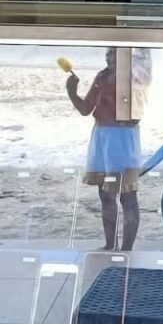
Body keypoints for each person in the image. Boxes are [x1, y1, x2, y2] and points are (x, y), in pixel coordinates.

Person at [66, 49, 150, 251]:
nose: (109, 57)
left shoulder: (136, 76)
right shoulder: (103, 76)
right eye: (109, 52)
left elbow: (134, 110)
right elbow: (86, 109)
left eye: (115, 52)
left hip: (122, 137)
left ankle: (126, 248)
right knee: (106, 194)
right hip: (102, 135)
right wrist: (72, 93)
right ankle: (109, 244)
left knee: (127, 195)